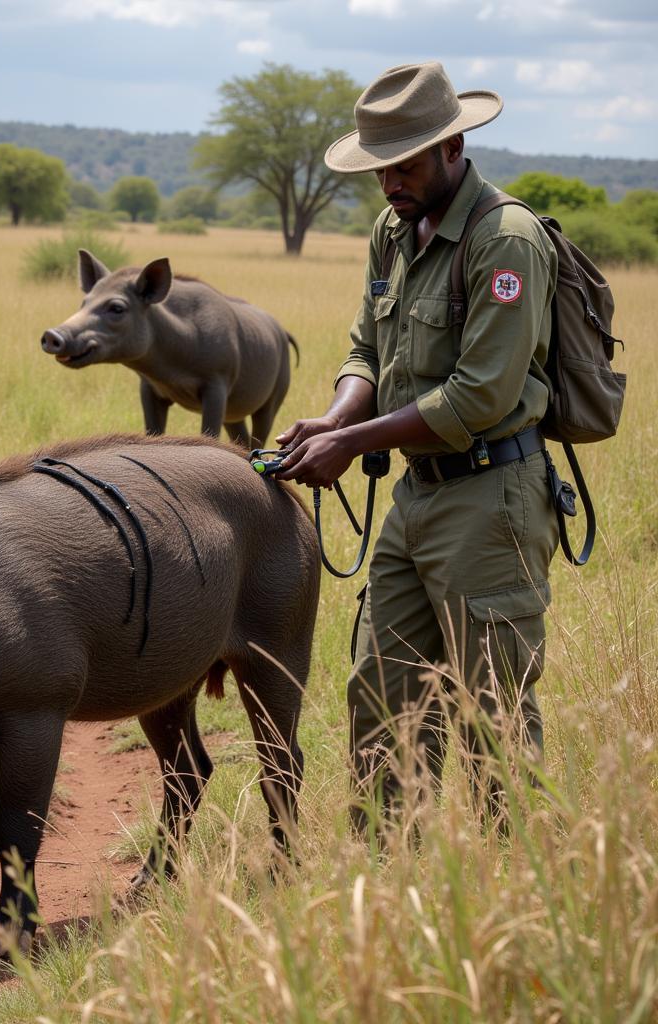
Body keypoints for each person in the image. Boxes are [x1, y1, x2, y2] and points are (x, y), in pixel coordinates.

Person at [275, 61, 560, 833]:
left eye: (403, 164)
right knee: (382, 696)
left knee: (492, 717)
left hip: (491, 497)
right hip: (416, 497)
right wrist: (335, 420)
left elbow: (481, 396)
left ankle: (518, 897)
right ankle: (388, 890)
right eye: (379, 169)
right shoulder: (392, 232)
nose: (390, 183)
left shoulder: (507, 241)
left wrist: (354, 440)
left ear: (453, 146)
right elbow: (368, 351)